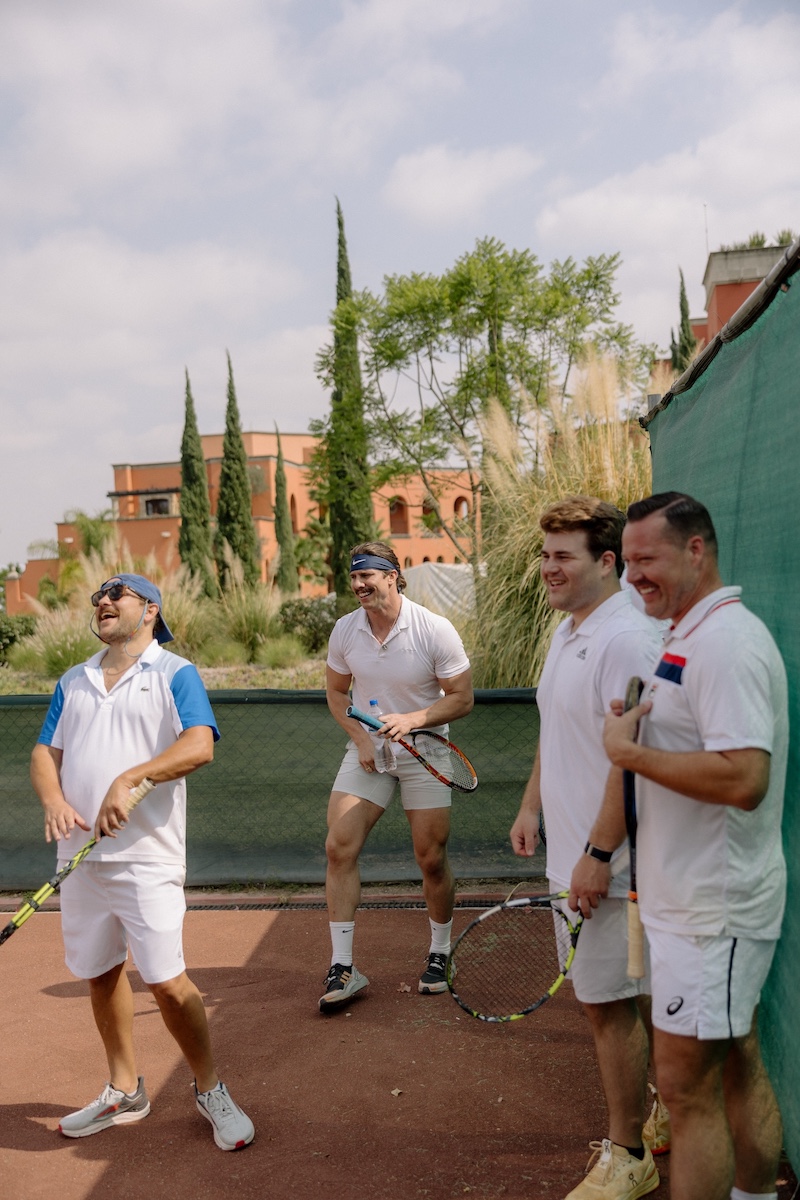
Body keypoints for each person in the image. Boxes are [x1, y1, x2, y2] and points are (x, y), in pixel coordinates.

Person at [603, 493, 788, 1200]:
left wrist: (629, 752)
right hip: (694, 905)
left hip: (715, 910)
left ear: (696, 551)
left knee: (684, 1091)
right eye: (631, 561)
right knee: (732, 1061)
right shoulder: (687, 633)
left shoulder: (726, 643)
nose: (635, 575)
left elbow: (744, 777)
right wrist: (640, 733)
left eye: (648, 559)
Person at [30, 574, 254, 1151]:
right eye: (98, 596)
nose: (103, 602)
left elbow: (199, 744)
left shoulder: (175, 672)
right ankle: (124, 1089)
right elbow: (43, 750)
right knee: (100, 973)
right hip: (80, 859)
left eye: (117, 594)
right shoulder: (73, 679)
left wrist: (130, 778)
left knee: (167, 983)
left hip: (147, 858)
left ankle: (210, 1088)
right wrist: (54, 799)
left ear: (150, 609)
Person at [510, 496, 665, 1200]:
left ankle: (629, 1155)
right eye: (545, 555)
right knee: (622, 998)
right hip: (571, 852)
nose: (548, 568)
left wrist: (600, 856)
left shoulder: (625, 639)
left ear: (608, 563)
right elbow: (558, 730)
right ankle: (655, 1113)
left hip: (613, 861)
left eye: (563, 556)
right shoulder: (571, 627)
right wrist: (532, 804)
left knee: (608, 1005)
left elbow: (632, 761)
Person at [320, 541, 473, 1012]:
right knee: (338, 845)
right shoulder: (346, 630)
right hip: (370, 751)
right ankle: (343, 966)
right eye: (354, 577)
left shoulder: (434, 628)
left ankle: (441, 952)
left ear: (392, 575)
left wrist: (414, 718)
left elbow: (462, 697)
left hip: (424, 747)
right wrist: (362, 740)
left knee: (430, 858)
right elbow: (335, 691)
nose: (360, 584)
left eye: (369, 575)